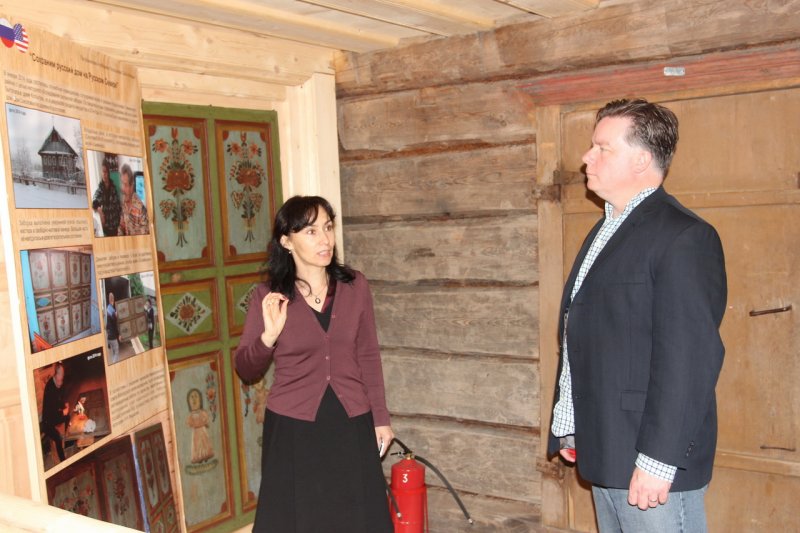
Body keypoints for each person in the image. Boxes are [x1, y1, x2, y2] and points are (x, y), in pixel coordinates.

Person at [548, 99, 727, 532]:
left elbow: (689, 360)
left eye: (602, 148)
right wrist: (571, 423)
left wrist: (658, 460)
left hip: (650, 459)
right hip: (606, 444)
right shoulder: (606, 227)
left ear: (642, 160)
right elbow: (585, 334)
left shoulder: (683, 236)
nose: (587, 157)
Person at [235, 195, 394, 533]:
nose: (325, 239)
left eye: (328, 228)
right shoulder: (269, 297)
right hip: (294, 430)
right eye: (311, 231)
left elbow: (368, 355)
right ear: (286, 241)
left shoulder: (355, 286)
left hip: (350, 422)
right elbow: (245, 368)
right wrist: (268, 337)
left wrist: (380, 418)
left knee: (356, 519)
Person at [40, 362, 69, 463]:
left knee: (68, 417)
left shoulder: (58, 382)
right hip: (48, 421)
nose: (63, 377)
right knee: (57, 438)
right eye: (61, 374)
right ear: (56, 374)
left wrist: (65, 405)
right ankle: (63, 461)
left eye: (63, 374)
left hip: (54, 415)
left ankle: (66, 439)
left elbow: (59, 400)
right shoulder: (50, 388)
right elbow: (52, 411)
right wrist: (62, 412)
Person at [92, 159, 121, 237]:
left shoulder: (113, 188)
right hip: (107, 228)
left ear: (108, 173)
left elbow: (118, 206)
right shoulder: (100, 189)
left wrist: (121, 222)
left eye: (106, 172)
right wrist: (100, 211)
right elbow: (94, 202)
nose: (104, 174)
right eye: (103, 172)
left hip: (116, 225)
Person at [118, 164, 149, 235]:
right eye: (122, 183)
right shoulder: (124, 202)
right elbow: (121, 226)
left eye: (125, 185)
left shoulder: (140, 209)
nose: (122, 189)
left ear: (132, 186)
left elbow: (145, 236)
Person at [106, 292, 120, 363]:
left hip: (108, 337)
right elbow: (115, 325)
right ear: (113, 300)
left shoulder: (107, 309)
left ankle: (113, 364)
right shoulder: (113, 311)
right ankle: (114, 366)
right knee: (116, 352)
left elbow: (107, 326)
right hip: (113, 336)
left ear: (109, 300)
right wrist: (118, 335)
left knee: (113, 353)